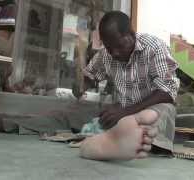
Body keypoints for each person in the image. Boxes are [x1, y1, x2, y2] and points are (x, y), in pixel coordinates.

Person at [75, 11, 180, 161]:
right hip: (122, 110)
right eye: (109, 48)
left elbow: (168, 92)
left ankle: (121, 136)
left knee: (160, 112)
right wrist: (81, 85)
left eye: (120, 45)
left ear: (131, 34)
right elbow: (90, 76)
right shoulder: (106, 54)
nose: (115, 53)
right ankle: (119, 137)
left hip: (149, 107)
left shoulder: (154, 47)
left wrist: (127, 112)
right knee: (83, 110)